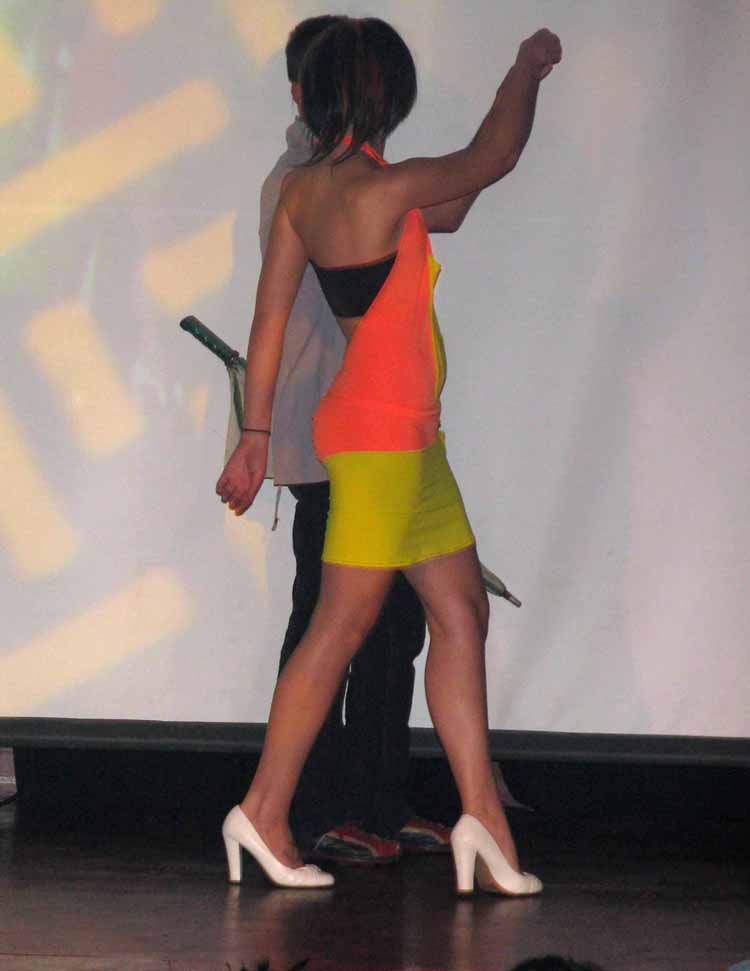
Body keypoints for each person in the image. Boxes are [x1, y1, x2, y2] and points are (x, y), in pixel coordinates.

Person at [217, 17, 562, 891]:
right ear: (382, 95)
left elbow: (268, 323)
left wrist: (256, 437)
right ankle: (262, 809)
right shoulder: (382, 189)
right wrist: (527, 66)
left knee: (460, 613)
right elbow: (494, 155)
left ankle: (482, 819)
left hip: (410, 441)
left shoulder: (313, 192)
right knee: (340, 626)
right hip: (380, 441)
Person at [260, 15, 453, 864]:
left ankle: (374, 803)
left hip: (373, 436)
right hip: (337, 439)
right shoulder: (307, 183)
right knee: (332, 621)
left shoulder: (352, 174)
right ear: (309, 90)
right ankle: (307, 810)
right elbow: (299, 322)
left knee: (391, 624)